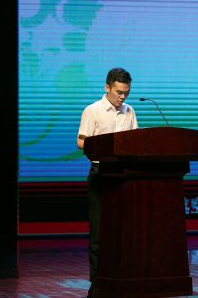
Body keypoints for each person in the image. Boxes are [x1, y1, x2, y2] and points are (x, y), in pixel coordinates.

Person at [77, 67, 138, 297]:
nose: (122, 97)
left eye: (126, 93)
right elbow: (81, 142)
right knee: (99, 233)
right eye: (119, 92)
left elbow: (135, 140)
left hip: (125, 175)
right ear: (107, 88)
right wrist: (104, 145)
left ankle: (123, 278)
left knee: (125, 232)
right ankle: (97, 282)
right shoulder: (93, 110)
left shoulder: (129, 111)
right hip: (101, 174)